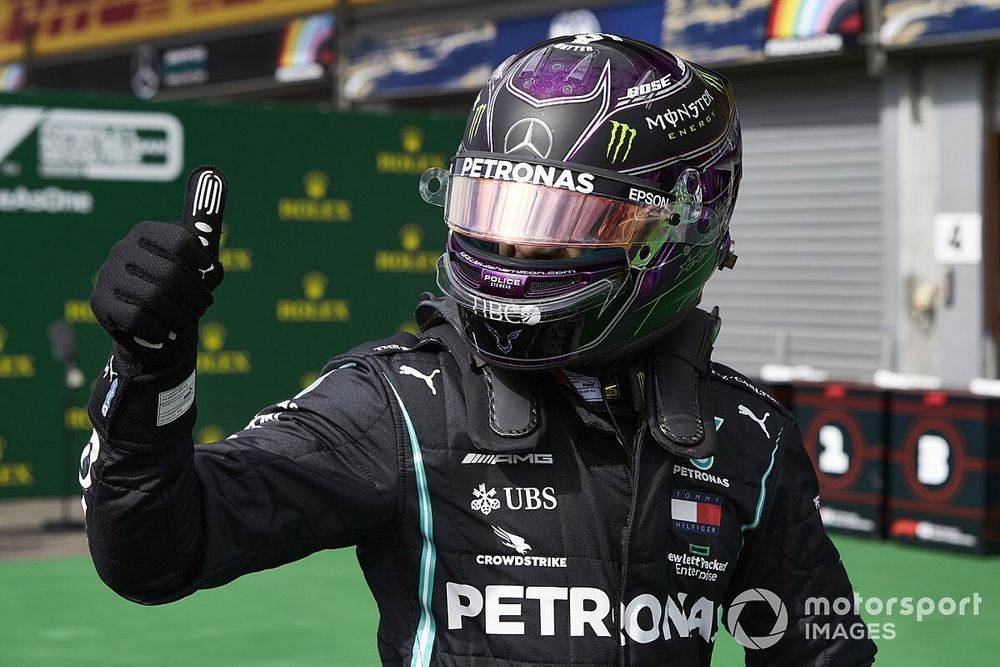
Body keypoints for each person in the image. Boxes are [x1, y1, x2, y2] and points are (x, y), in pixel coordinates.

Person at [80, 34, 877, 666]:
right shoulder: (400, 406)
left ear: (687, 226)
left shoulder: (746, 433)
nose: (514, 253)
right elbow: (153, 553)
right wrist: (151, 374)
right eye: (496, 209)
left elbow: (823, 649)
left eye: (566, 227)